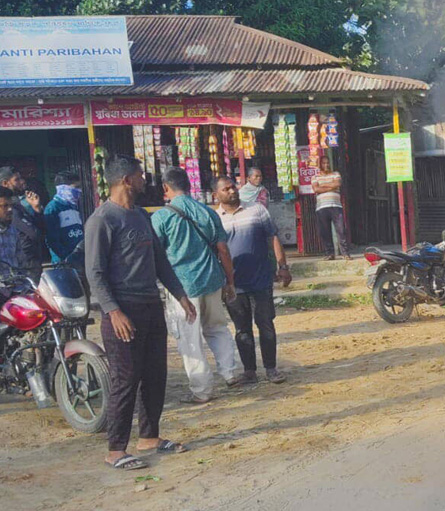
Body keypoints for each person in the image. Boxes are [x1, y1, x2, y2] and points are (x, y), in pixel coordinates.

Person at [85, 155, 196, 470]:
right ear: (125, 180)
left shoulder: (141, 216)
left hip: (150, 304)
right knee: (126, 378)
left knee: (155, 373)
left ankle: (149, 437)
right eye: (140, 176)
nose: (145, 180)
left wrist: (180, 295)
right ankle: (116, 450)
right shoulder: (102, 220)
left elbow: (160, 261)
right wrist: (113, 311)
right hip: (123, 310)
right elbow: (95, 273)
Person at [151, 169, 241, 404]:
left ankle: (202, 390)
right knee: (217, 327)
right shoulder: (208, 212)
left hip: (182, 288)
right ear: (189, 185)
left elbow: (155, 255)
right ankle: (230, 372)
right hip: (212, 279)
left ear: (165, 188)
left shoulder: (161, 217)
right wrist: (230, 281)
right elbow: (223, 250)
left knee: (190, 338)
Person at [215, 177, 292, 384]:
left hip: (261, 279)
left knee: (265, 323)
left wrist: (282, 266)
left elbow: (273, 237)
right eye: (226, 189)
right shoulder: (214, 218)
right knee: (242, 329)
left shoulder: (257, 210)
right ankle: (249, 371)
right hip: (233, 284)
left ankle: (271, 369)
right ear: (217, 195)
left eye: (233, 187)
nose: (232, 191)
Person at [0, 167, 44, 277]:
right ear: (5, 183)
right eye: (17, 179)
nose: (22, 182)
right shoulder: (14, 212)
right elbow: (34, 234)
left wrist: (37, 209)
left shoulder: (11, 230)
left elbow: (40, 231)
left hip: (19, 280)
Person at [312, 155, 352, 260]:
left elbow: (337, 184)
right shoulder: (315, 177)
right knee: (325, 232)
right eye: (323, 163)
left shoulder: (336, 174)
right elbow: (316, 189)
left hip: (336, 206)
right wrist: (331, 186)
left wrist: (323, 186)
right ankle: (329, 253)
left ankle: (345, 253)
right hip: (321, 207)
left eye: (327, 163)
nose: (326, 165)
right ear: (320, 165)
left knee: (341, 230)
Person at [44, 170, 86, 265]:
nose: (79, 191)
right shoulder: (53, 208)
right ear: (63, 188)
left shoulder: (74, 207)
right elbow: (52, 240)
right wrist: (66, 258)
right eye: (76, 187)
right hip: (64, 263)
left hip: (79, 260)